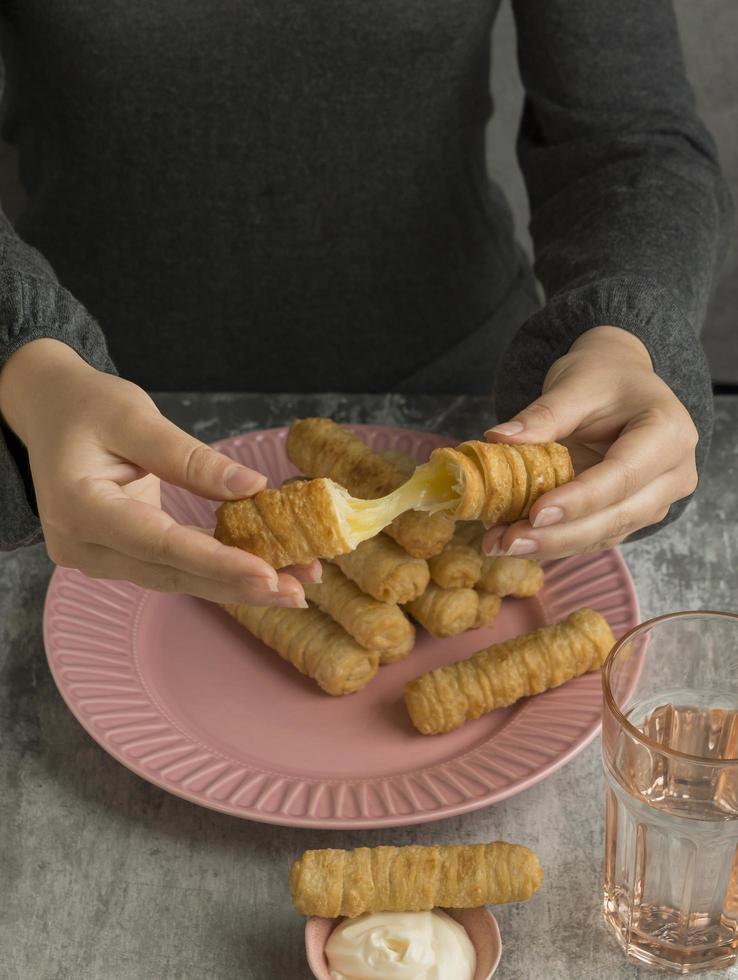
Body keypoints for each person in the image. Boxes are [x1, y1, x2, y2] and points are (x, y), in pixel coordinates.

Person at [0, 1, 732, 609]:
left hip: (468, 403)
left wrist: (625, 328)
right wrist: (24, 355)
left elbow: (627, 135)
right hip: (75, 428)